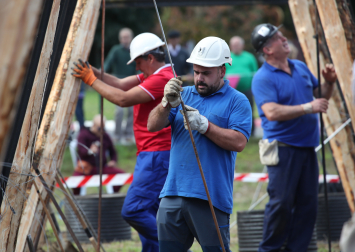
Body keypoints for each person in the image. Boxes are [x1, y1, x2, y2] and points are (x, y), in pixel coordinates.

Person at [147, 36, 252, 251]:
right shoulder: (182, 95)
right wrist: (165, 103)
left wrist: (205, 126)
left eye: (206, 73)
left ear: (222, 71)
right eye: (196, 72)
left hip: (210, 196)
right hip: (173, 193)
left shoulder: (237, 100)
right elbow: (152, 125)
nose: (199, 78)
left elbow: (239, 142)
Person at [72, 32, 174, 252]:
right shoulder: (151, 75)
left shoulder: (162, 78)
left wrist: (90, 80)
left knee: (134, 211)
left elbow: (122, 99)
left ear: (150, 57)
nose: (137, 67)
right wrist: (92, 70)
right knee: (149, 213)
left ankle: (176, 245)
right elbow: (118, 83)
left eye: (138, 61)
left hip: (157, 154)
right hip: (151, 154)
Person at [250, 23, 337, 251]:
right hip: (281, 148)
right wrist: (309, 107)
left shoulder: (300, 67)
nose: (284, 39)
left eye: (282, 35)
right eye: (278, 38)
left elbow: (321, 98)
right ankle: (268, 249)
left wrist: (329, 82)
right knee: (281, 204)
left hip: (307, 148)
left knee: (308, 205)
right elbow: (272, 112)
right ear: (267, 49)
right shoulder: (262, 78)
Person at [73, 114, 125, 193]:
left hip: (102, 168)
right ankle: (78, 200)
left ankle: (113, 196)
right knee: (74, 182)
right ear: (94, 125)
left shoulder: (105, 136)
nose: (102, 131)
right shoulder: (84, 134)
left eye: (103, 128)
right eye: (100, 128)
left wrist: (113, 161)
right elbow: (81, 150)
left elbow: (113, 151)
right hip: (87, 168)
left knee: (122, 175)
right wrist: (89, 151)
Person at [105, 28, 136, 144]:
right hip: (119, 85)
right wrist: (101, 72)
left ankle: (128, 134)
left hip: (132, 85)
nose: (125, 40)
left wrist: (137, 78)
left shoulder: (134, 51)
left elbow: (139, 66)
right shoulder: (116, 50)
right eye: (123, 37)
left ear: (131, 38)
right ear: (120, 39)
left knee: (132, 111)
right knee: (119, 111)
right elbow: (108, 63)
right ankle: (117, 135)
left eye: (127, 37)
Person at [227, 36, 259, 135]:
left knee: (249, 109)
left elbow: (255, 73)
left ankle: (251, 131)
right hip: (230, 90)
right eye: (233, 45)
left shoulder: (249, 57)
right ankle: (231, 131)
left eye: (237, 45)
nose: (235, 47)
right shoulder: (227, 58)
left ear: (242, 46)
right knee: (230, 110)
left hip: (247, 89)